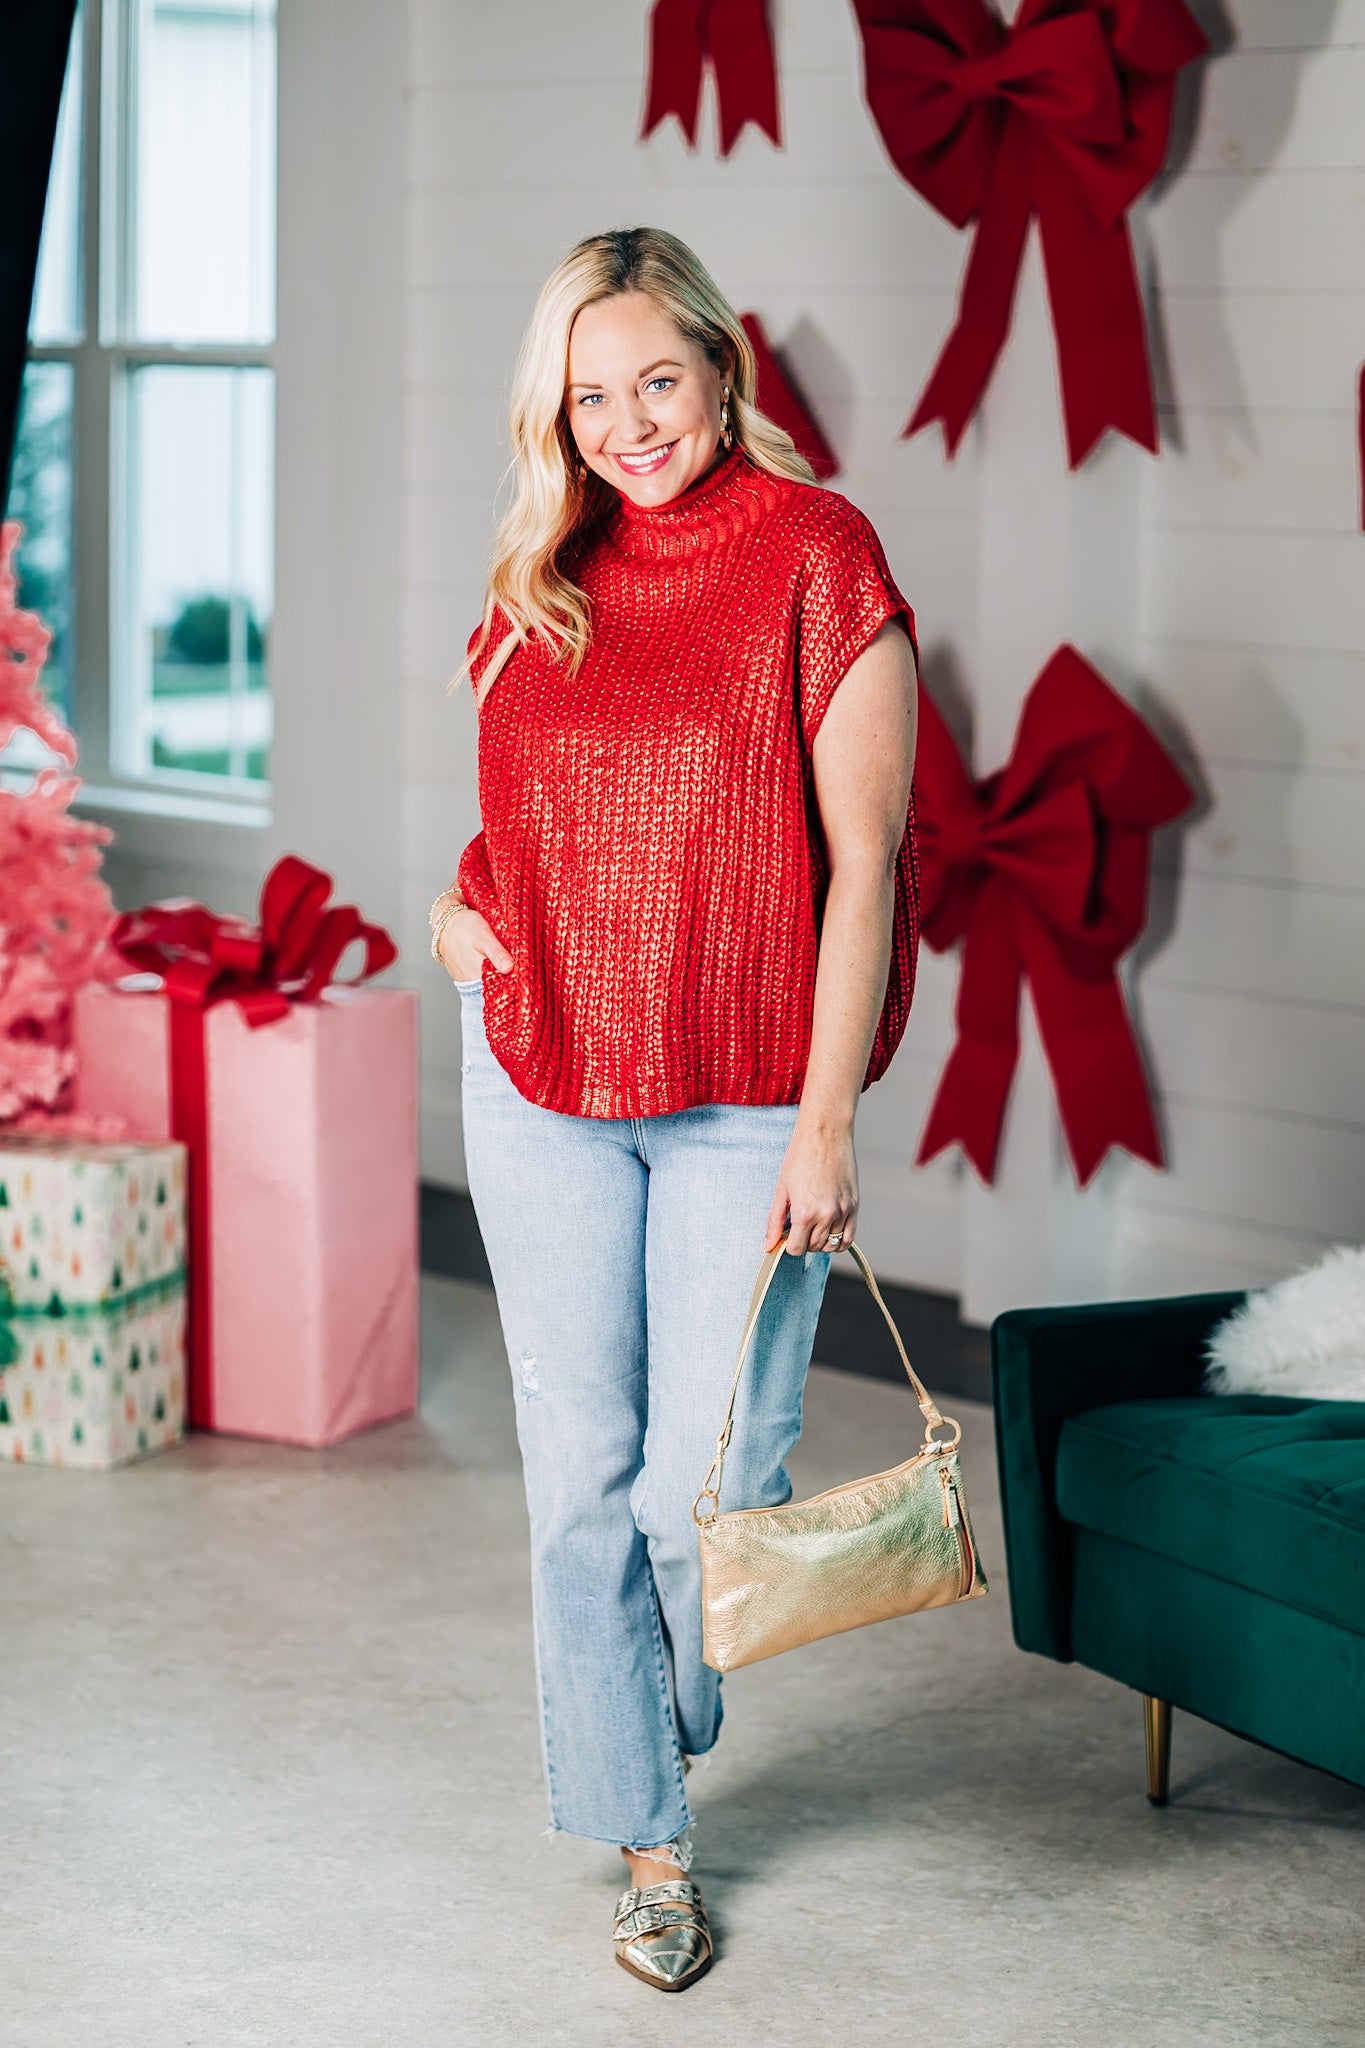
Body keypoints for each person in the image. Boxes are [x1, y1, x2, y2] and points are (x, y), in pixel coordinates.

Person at [429, 226, 920, 1993]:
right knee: (578, 1486)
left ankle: (655, 1715)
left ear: (721, 367)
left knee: (702, 1499)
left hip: (744, 1099)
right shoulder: (538, 569)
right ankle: (651, 1848)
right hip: (541, 1071)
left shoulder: (818, 555)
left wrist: (828, 1124)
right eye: (590, 394)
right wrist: (452, 912)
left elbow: (861, 865)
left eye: (657, 379)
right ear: (552, 413)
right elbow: (517, 832)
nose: (629, 423)